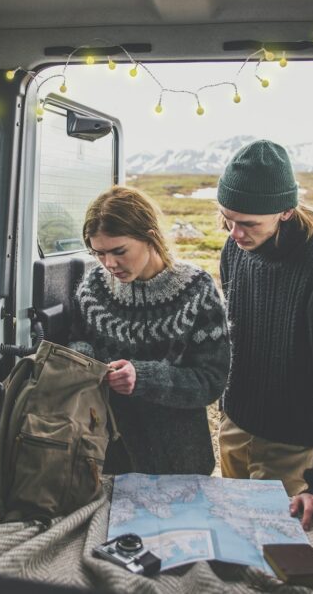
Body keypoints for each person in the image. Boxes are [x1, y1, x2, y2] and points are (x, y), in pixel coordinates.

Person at [215, 140, 313, 530]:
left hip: (293, 445)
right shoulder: (235, 247)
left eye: (248, 224)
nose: (235, 233)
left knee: (275, 549)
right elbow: (238, 331)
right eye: (227, 219)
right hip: (236, 425)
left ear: (287, 211)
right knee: (233, 533)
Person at [68, 185, 231, 475]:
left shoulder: (196, 290)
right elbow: (77, 341)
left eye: (119, 251)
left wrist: (143, 378)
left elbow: (211, 380)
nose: (109, 264)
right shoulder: (92, 288)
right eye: (99, 253)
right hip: (107, 455)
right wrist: (85, 363)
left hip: (179, 459)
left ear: (150, 237)